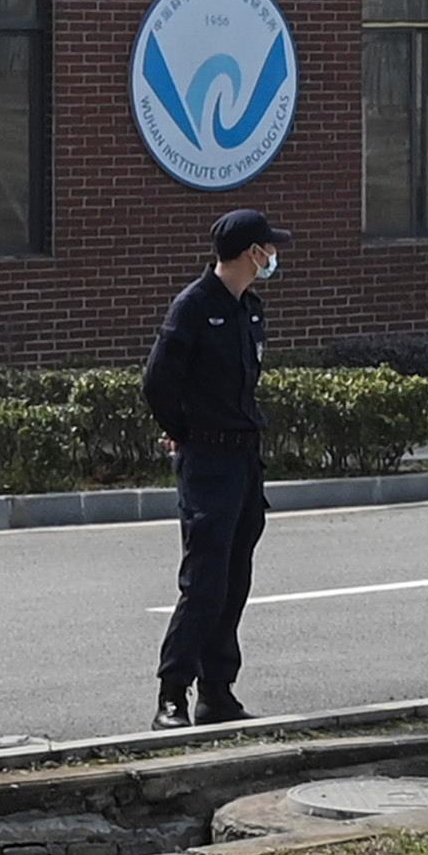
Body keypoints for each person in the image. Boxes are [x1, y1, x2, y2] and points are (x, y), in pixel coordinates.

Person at [142, 208, 278, 727]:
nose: (272, 257)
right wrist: (183, 430)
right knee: (204, 581)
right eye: (268, 248)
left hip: (244, 459)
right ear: (251, 254)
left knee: (234, 579)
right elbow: (159, 382)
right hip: (208, 461)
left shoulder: (250, 308)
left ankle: (217, 691)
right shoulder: (194, 308)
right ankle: (172, 695)